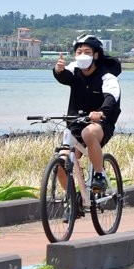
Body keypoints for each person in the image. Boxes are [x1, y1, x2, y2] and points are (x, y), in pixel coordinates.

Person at [53, 34, 122, 193]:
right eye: (79, 52)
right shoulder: (73, 68)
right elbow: (65, 76)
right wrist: (58, 71)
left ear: (96, 55)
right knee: (60, 163)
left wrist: (101, 112)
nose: (82, 55)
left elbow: (111, 98)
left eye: (87, 52)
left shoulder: (107, 77)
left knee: (88, 132)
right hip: (75, 123)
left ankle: (99, 176)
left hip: (100, 124)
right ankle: (72, 201)